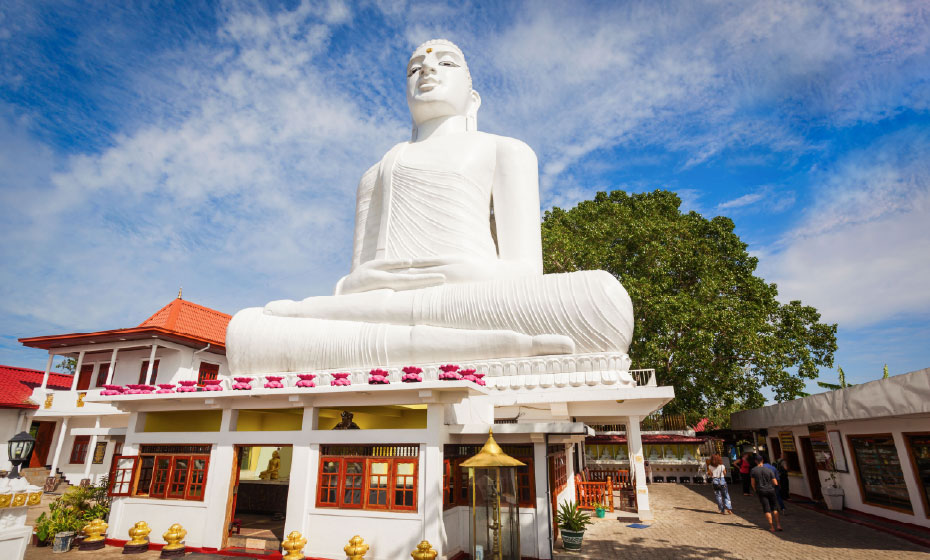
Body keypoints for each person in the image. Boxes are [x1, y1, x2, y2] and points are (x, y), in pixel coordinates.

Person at [226, 39, 634, 374]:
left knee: (602, 298)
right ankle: (494, 346)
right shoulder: (377, 171)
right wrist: (368, 282)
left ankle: (409, 343)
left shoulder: (504, 150)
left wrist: (464, 272)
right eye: (414, 68)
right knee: (248, 330)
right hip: (379, 303)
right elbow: (352, 283)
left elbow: (526, 272)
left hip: (471, 298)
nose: (427, 70)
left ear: (472, 96)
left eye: (446, 62)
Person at [750, 454, 783, 533]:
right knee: (775, 508)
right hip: (771, 490)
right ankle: (778, 525)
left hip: (761, 491)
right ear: (762, 461)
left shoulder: (753, 470)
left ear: (755, 461)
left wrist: (755, 490)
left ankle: (771, 526)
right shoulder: (769, 470)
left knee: (766, 509)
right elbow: (775, 482)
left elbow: (753, 483)